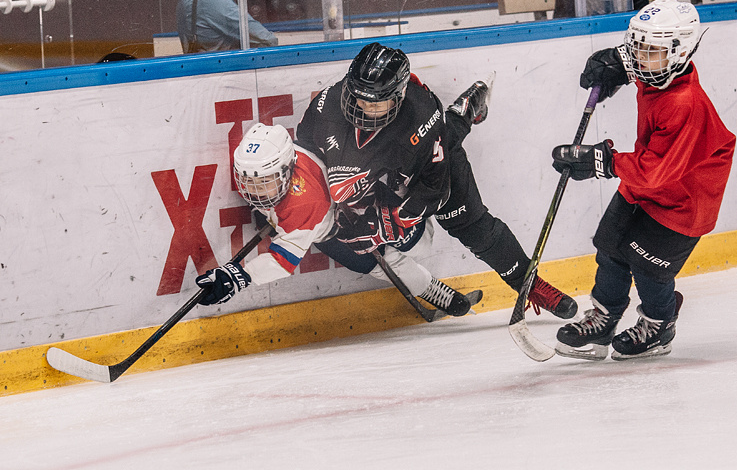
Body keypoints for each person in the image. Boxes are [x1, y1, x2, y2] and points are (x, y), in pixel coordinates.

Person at [295, 42, 578, 319]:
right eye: (358, 98)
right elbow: (306, 157)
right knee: (332, 233)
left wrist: (389, 223)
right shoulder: (325, 105)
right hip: (376, 179)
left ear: (398, 97)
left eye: (375, 103)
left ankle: (529, 284)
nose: (363, 109)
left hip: (424, 172)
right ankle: (428, 287)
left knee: (470, 225)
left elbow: (435, 190)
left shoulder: (422, 115)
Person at [551, 0, 736, 360]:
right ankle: (604, 318)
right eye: (636, 48)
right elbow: (650, 170)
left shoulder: (685, 103)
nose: (639, 58)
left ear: (679, 53)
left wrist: (599, 160)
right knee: (611, 246)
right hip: (647, 181)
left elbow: (656, 171)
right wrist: (616, 64)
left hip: (685, 199)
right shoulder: (659, 73)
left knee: (649, 267)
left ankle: (659, 322)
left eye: (649, 51)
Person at [194, 122, 476, 317]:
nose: (255, 191)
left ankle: (440, 294)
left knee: (389, 262)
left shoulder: (304, 204)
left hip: (342, 225)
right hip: (333, 208)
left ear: (287, 170)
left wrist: (239, 277)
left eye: (265, 182)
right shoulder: (289, 156)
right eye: (250, 182)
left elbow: (281, 262)